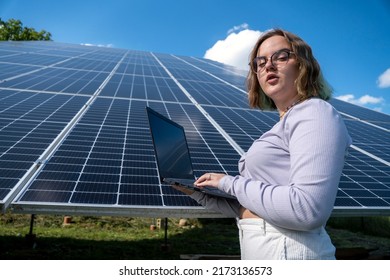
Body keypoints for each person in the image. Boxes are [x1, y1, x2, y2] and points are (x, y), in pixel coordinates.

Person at [174, 28, 352, 260]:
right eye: (260, 62)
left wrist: (228, 183)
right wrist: (204, 195)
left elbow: (307, 210)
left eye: (281, 56)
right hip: (268, 248)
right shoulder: (284, 123)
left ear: (303, 64)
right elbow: (259, 207)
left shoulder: (315, 112)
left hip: (291, 251)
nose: (268, 65)